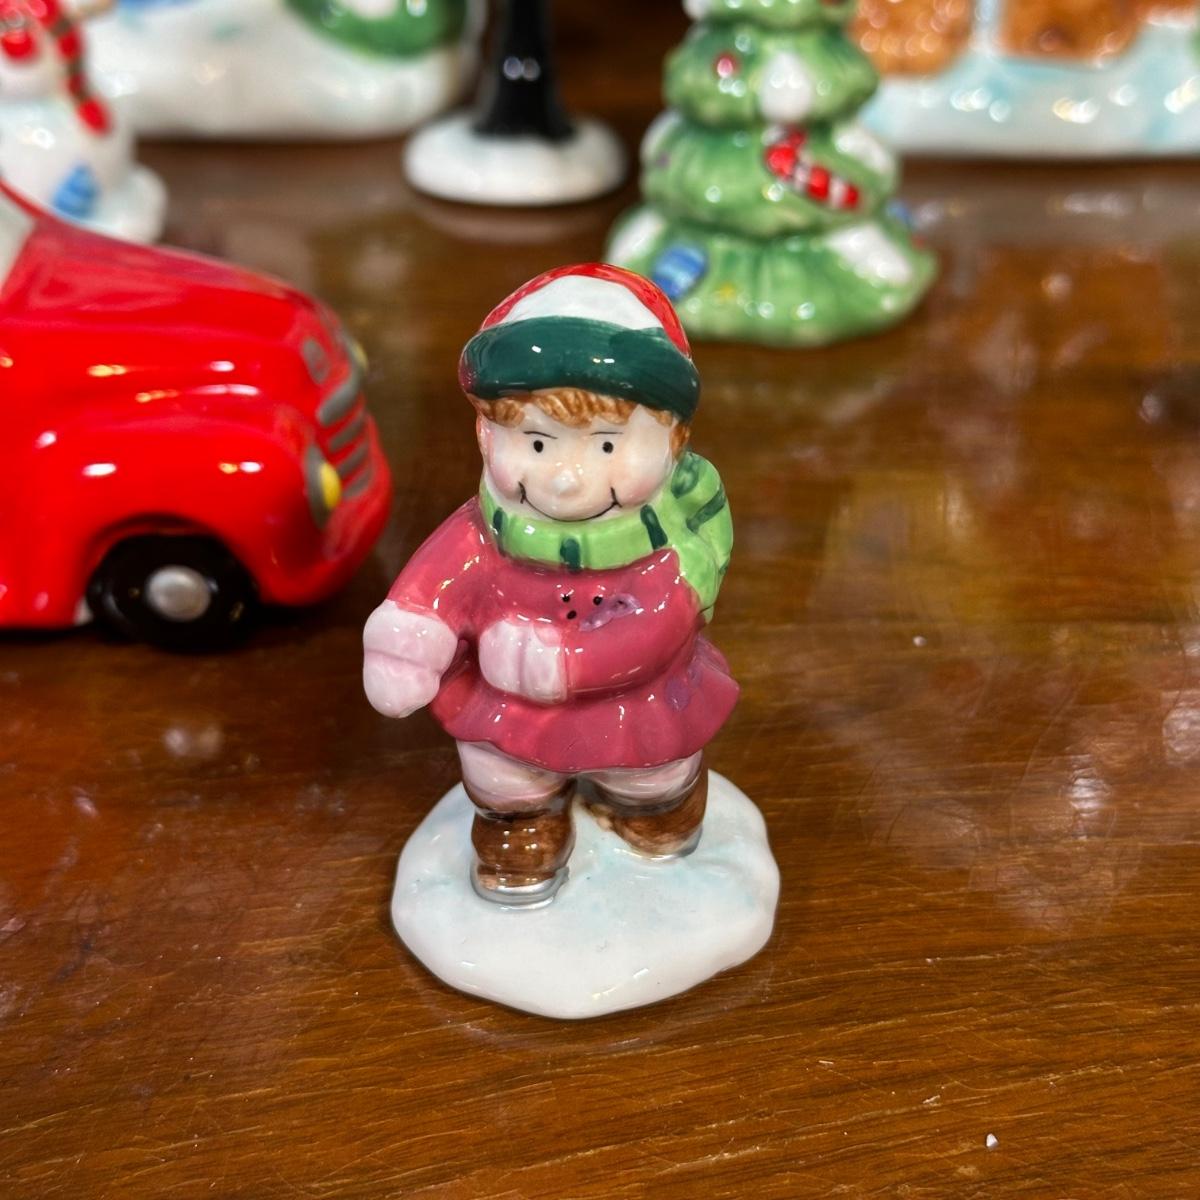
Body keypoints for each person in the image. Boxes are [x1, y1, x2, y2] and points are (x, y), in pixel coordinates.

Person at [363, 263, 737, 905]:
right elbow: (433, 586)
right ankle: (520, 829)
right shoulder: (480, 535)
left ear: (673, 441)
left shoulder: (663, 553)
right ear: (487, 434)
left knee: (650, 774)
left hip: (634, 707)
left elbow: (658, 629)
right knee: (506, 775)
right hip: (508, 713)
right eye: (537, 444)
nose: (566, 479)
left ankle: (654, 817)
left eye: (606, 447)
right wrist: (409, 638)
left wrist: (563, 663)